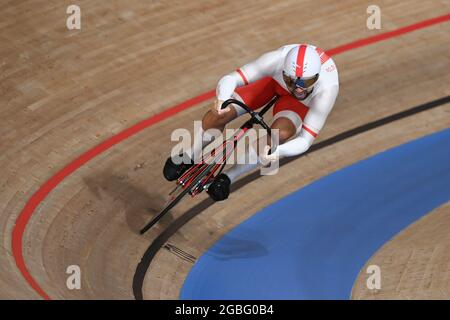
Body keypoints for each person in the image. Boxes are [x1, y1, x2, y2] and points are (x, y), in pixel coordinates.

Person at [163, 43, 339, 201]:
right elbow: (231, 79)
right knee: (220, 114)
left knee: (278, 137)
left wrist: (278, 152)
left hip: (299, 104)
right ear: (284, 70)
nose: (298, 88)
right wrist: (222, 100)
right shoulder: (276, 60)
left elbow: (305, 141)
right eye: (292, 81)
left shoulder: (327, 90)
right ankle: (189, 154)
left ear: (316, 77)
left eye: (305, 82)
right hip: (272, 83)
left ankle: (229, 176)